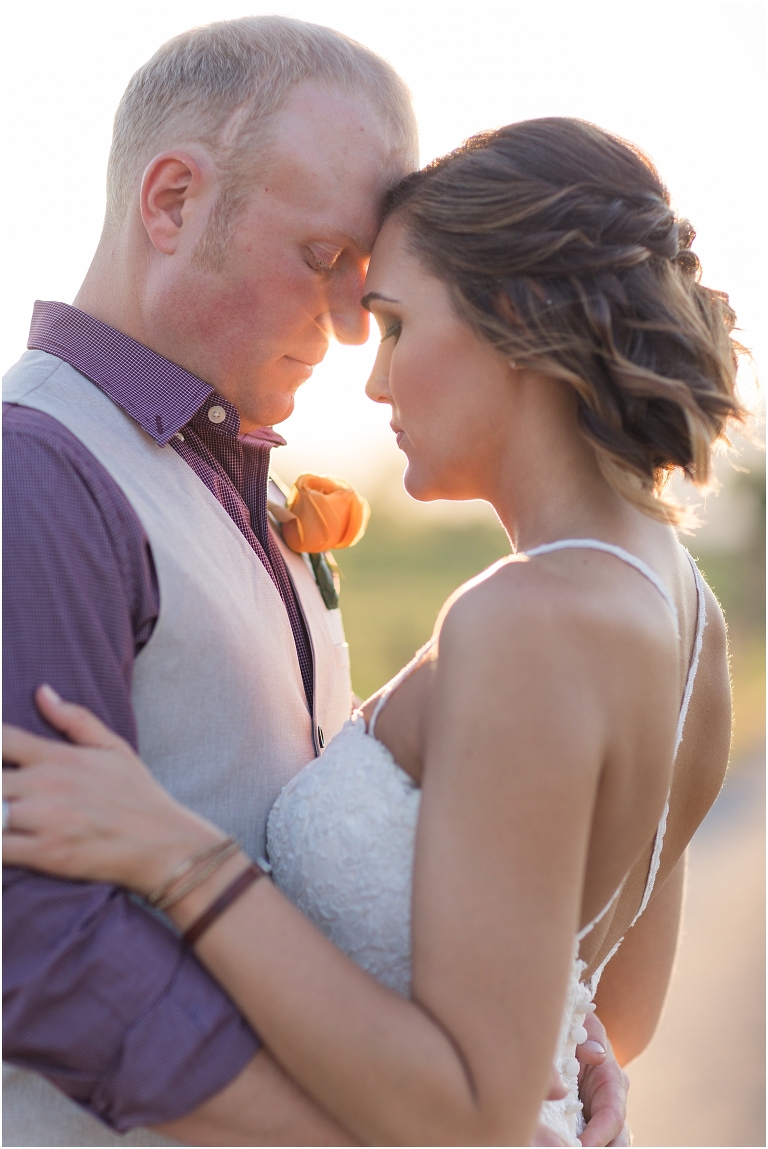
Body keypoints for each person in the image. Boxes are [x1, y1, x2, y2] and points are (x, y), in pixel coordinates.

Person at [3, 118, 739, 1145]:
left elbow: (473, 1117)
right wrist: (560, 1072)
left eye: (394, 324)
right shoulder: (692, 612)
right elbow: (615, 1013)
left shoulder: (521, 620)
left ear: (515, 317)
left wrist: (179, 857)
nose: (376, 380)